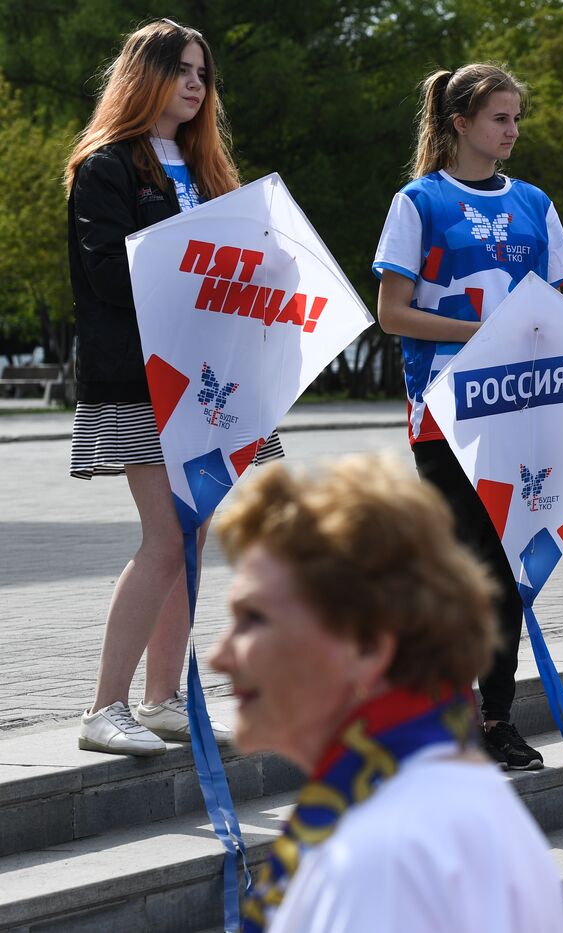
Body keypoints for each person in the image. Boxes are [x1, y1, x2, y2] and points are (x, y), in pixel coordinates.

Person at [210, 453, 563, 933]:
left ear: (366, 648)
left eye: (254, 620)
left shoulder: (381, 857)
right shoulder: (417, 798)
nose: (219, 655)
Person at [66, 19, 277, 755]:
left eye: (202, 72)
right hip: (146, 382)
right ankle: (105, 707)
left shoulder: (205, 167)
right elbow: (106, 273)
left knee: (188, 538)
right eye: (182, 69)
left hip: (216, 383)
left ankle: (162, 700)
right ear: (144, 75)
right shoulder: (106, 166)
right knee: (163, 539)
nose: (196, 83)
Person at [373, 62, 563, 770]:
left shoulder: (535, 203)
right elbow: (392, 312)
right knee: (470, 564)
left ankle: (493, 716)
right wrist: (485, 333)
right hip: (446, 413)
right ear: (460, 123)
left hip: (522, 411)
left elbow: (559, 308)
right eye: (500, 118)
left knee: (506, 566)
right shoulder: (419, 201)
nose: (512, 130)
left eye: (517, 117)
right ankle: (459, 713)